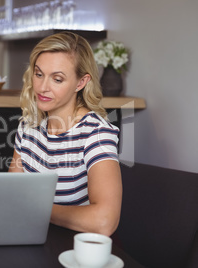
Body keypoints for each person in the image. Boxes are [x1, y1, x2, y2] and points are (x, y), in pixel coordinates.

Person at [9, 32, 122, 236]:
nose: (43, 87)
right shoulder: (28, 126)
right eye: (39, 74)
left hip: (75, 249)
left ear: (81, 83)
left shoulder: (96, 133)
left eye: (57, 79)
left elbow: (105, 220)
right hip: (34, 237)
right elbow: (12, 193)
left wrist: (37, 210)